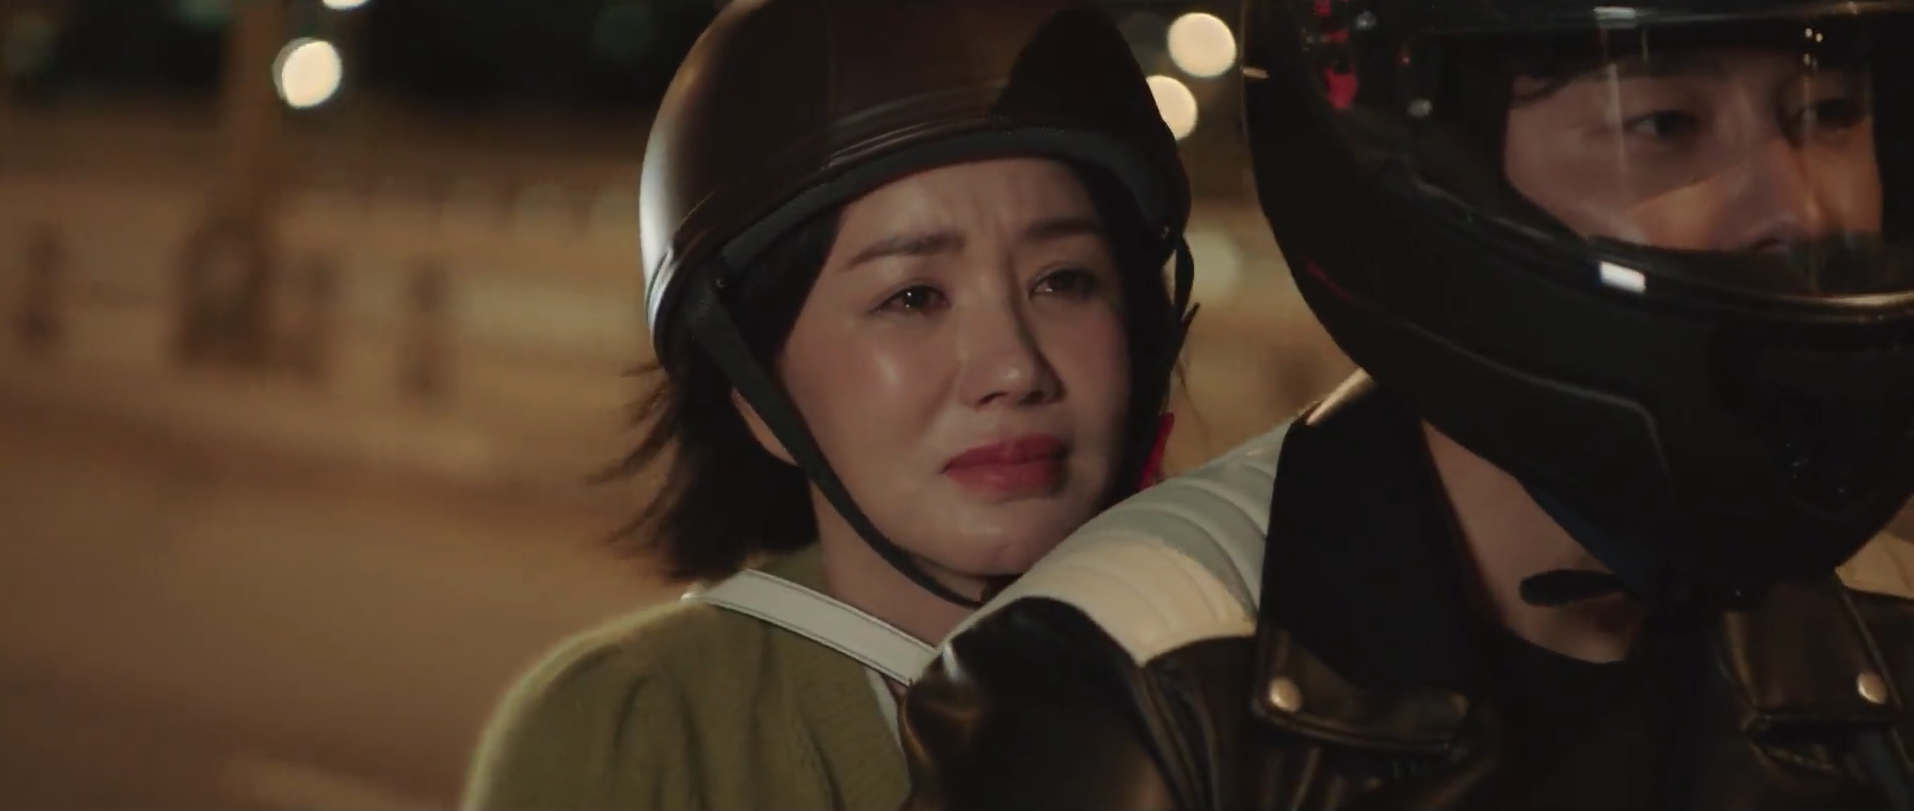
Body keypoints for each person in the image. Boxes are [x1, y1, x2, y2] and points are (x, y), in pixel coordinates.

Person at [897, 2, 1914, 809]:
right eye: (1665, 124)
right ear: (1429, 172)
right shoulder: (1132, 675)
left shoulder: (1887, 613)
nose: (1798, 209)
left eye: (1830, 113)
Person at [459, 2, 1196, 810]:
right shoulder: (632, 740)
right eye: (913, 296)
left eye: (1063, 280)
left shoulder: (1254, 686)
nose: (1015, 368)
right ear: (756, 387)